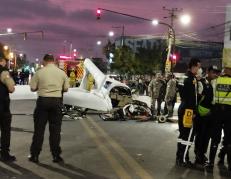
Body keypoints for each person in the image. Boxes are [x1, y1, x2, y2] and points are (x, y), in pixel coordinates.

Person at [29, 54, 69, 163]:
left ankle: (35, 155)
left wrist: (40, 87)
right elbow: (66, 88)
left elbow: (32, 88)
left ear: (45, 61)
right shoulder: (61, 73)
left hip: (42, 102)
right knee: (55, 131)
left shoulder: (39, 72)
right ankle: (56, 155)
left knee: (39, 130)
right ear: (53, 61)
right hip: (56, 102)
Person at [206, 62, 231, 171]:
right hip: (230, 114)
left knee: (215, 138)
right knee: (229, 139)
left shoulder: (215, 81)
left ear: (224, 70)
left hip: (217, 112)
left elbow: (210, 98)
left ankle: (211, 163)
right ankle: (230, 165)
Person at [176, 58, 201, 167]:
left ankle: (179, 157)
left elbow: (182, 93)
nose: (199, 69)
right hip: (188, 111)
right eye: (199, 67)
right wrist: (194, 111)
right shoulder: (191, 79)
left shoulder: (182, 77)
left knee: (182, 134)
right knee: (188, 135)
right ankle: (183, 159)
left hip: (183, 107)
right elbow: (192, 97)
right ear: (194, 66)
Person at [193, 66, 219, 166]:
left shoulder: (215, 83)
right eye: (213, 72)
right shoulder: (201, 82)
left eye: (216, 73)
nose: (215, 75)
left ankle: (202, 153)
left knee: (207, 136)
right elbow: (197, 97)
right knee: (200, 135)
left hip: (211, 114)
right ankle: (198, 154)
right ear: (207, 72)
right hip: (201, 114)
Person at [0, 52, 16, 161]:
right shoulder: (3, 72)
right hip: (2, 106)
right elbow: (11, 88)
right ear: (2, 61)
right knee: (5, 130)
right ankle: (4, 154)